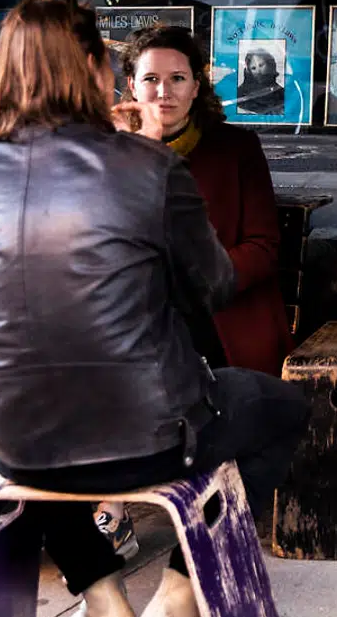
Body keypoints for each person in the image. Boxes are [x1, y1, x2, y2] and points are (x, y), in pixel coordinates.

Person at [0, 0, 309, 617]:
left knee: (37, 426)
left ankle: (102, 596)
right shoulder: (148, 167)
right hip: (148, 439)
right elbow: (213, 287)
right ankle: (180, 602)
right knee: (281, 406)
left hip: (9, 445)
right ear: (96, 70)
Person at [121, 24, 295, 376]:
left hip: (221, 320)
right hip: (136, 326)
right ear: (132, 86)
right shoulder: (110, 155)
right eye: (151, 78)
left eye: (178, 78)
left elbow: (262, 246)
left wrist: (202, 284)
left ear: (196, 87)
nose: (163, 92)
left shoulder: (236, 149)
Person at [237, 49, 287, 116]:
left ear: (270, 64)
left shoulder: (282, 93)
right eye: (253, 68)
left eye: (261, 65)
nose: (258, 72)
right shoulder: (240, 94)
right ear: (249, 71)